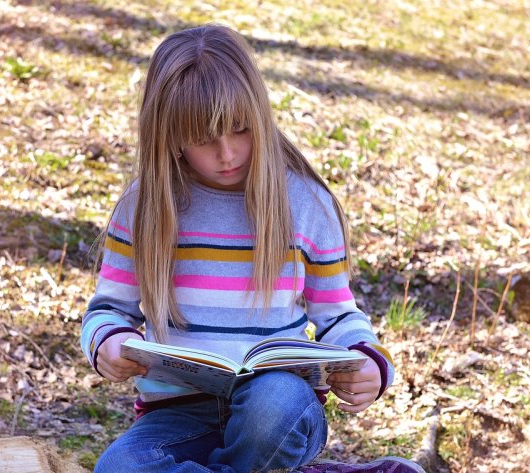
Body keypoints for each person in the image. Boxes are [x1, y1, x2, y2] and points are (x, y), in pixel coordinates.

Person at [81, 24, 397, 473]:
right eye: (205, 139)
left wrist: (369, 361)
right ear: (169, 135)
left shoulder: (306, 206)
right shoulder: (143, 209)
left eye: (240, 130)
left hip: (279, 407)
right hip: (178, 415)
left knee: (274, 406)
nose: (227, 153)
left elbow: (339, 316)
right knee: (118, 468)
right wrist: (109, 343)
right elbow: (108, 310)